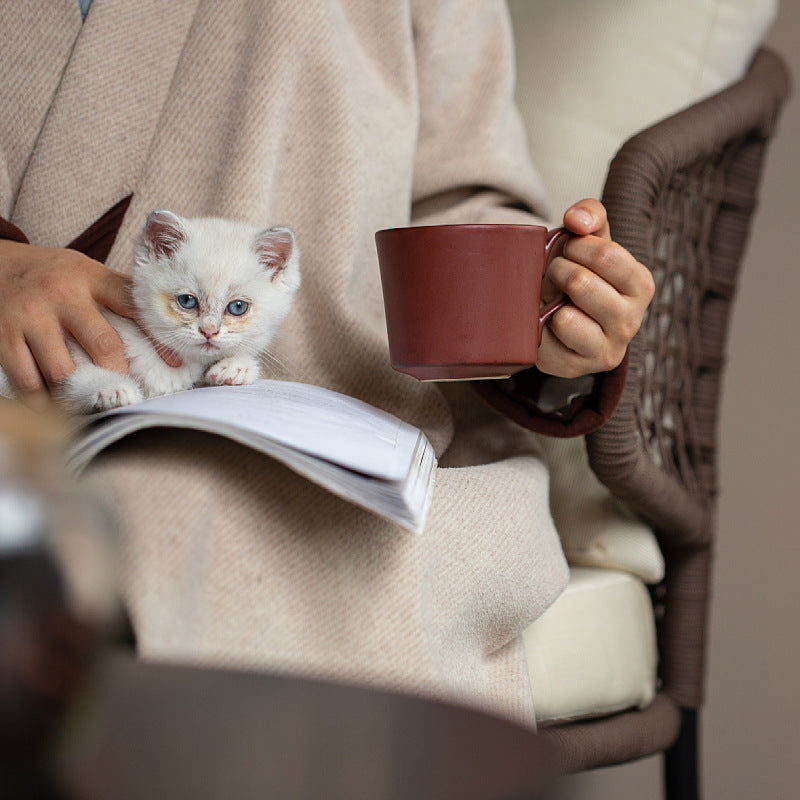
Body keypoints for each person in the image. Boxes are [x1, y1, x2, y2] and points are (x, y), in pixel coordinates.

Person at [0, 0, 653, 726]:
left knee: (172, 529)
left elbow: (469, 208)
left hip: (328, 416)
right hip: (22, 420)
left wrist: (549, 307)